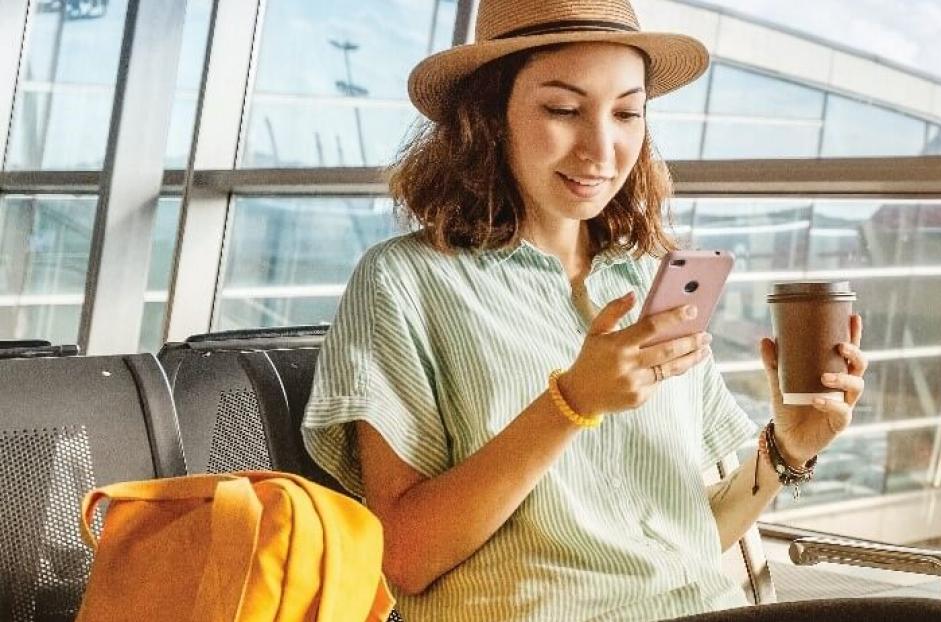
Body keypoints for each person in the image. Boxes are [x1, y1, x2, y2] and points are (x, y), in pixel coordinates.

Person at [300, 1, 868, 619]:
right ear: (490, 118)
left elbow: (688, 541)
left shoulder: (652, 281)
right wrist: (571, 402)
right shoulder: (404, 281)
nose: (602, 149)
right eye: (564, 110)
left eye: (627, 112)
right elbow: (402, 559)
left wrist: (787, 450)